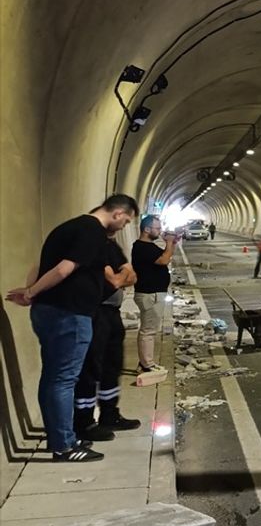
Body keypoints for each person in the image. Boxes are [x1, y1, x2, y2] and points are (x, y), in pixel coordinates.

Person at [5, 194, 138, 463]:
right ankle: (64, 446)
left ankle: (60, 438)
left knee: (53, 378)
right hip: (69, 315)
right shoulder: (92, 232)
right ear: (118, 213)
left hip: (53, 312)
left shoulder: (69, 228)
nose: (124, 226)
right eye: (126, 221)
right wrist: (31, 292)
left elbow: (42, 265)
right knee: (64, 379)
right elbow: (64, 269)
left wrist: (35, 293)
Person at [74, 236, 142, 442]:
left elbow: (132, 277)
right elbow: (114, 280)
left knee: (112, 365)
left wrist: (120, 277)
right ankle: (83, 422)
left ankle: (109, 414)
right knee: (91, 366)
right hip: (96, 312)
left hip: (113, 312)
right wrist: (121, 277)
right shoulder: (90, 246)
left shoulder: (110, 246)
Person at [131, 216, 175, 372]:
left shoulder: (149, 246)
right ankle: (146, 365)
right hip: (150, 295)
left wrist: (172, 243)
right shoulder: (142, 247)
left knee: (149, 329)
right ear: (147, 229)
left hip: (153, 294)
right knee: (148, 331)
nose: (160, 231)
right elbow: (163, 261)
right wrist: (168, 242)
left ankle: (146, 362)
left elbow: (167, 256)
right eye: (157, 228)